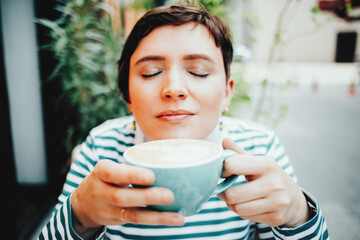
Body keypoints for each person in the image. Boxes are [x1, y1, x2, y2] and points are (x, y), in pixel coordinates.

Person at [39, 4, 329, 240]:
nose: (173, 88)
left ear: (227, 93)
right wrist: (80, 215)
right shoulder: (101, 148)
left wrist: (297, 215)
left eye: (199, 72)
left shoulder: (257, 148)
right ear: (128, 96)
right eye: (152, 72)